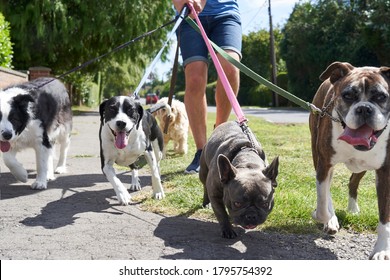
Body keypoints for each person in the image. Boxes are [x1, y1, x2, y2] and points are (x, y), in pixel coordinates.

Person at [172, 0, 242, 174]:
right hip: (189, 17)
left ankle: (218, 137)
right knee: (195, 78)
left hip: (225, 13)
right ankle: (202, 152)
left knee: (230, 69)